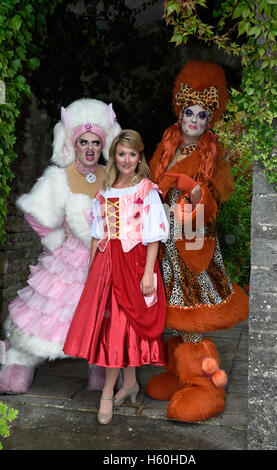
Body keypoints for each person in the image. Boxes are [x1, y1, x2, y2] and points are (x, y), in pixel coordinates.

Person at [145, 61, 249, 422]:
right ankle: (180, 376)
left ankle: (206, 389)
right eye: (188, 111)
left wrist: (195, 199)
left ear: (209, 119)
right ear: (180, 110)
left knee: (194, 317)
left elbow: (213, 202)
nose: (193, 120)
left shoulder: (210, 153)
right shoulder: (167, 142)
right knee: (174, 316)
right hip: (165, 246)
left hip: (192, 245)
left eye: (201, 114)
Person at [0, 98, 122, 394]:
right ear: (73, 144)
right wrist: (56, 240)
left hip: (103, 260)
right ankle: (18, 364)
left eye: (96, 142)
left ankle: (102, 371)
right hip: (67, 261)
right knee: (47, 314)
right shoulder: (60, 176)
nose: (90, 148)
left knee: (103, 316)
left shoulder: (112, 176)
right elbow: (35, 213)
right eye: (84, 141)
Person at [63, 129, 169, 425]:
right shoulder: (106, 191)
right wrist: (91, 273)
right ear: (114, 156)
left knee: (130, 323)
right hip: (107, 264)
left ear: (139, 158)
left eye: (132, 154)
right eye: (121, 153)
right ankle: (124, 385)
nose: (126, 159)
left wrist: (149, 272)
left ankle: (112, 390)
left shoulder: (147, 190)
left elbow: (154, 237)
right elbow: (98, 234)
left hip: (134, 262)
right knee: (114, 326)